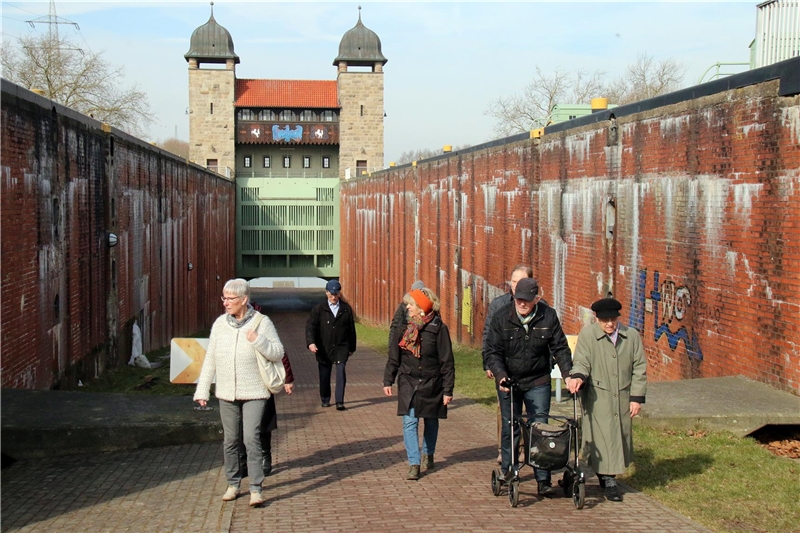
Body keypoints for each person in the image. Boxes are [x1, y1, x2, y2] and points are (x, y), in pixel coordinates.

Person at [194, 278, 284, 507]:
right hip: (226, 392)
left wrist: (257, 340)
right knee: (231, 440)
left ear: (244, 300)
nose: (226, 302)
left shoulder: (262, 323)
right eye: (224, 298)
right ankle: (233, 484)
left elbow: (277, 352)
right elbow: (210, 359)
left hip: (255, 391)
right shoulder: (219, 325)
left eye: (231, 298)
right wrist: (202, 390)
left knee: (251, 437)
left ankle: (256, 488)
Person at [484, 277, 575, 497]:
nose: (522, 304)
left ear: (537, 299)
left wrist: (568, 375)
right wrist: (501, 375)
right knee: (510, 426)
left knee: (540, 427)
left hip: (538, 380)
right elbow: (492, 352)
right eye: (518, 299)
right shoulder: (501, 317)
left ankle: (543, 479)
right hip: (510, 381)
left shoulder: (548, 316)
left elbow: (560, 348)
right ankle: (508, 471)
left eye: (527, 300)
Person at [566, 297, 647, 502]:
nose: (609, 324)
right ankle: (609, 480)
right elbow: (582, 361)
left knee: (618, 435)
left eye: (612, 319)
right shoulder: (588, 335)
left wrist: (636, 398)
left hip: (622, 395)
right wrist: (578, 377)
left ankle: (606, 475)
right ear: (596, 318)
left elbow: (639, 368)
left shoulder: (631, 336)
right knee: (602, 436)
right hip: (597, 396)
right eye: (604, 320)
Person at [383, 287, 455, 481]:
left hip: (432, 382)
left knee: (431, 420)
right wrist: (388, 379)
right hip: (408, 380)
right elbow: (394, 357)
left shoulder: (438, 328)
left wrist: (448, 389)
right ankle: (414, 463)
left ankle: (428, 453)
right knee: (410, 421)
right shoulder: (403, 328)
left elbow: (447, 361)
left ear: (422, 307)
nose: (407, 307)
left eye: (411, 304)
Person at [482, 265, 533, 464]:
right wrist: (488, 363)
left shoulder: (539, 305)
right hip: (504, 367)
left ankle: (525, 449)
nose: (515, 286)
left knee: (529, 412)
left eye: (520, 281)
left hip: (530, 371)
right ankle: (505, 449)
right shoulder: (498, 305)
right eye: (513, 281)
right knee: (505, 412)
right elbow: (488, 334)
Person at [238, 352, 295, 478]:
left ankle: (265, 455)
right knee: (239, 424)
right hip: (238, 384)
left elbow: (279, 352)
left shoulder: (263, 332)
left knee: (263, 421)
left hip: (261, 381)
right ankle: (241, 461)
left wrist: (287, 378)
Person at [306, 279, 357, 411]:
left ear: (339, 293)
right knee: (324, 374)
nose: (333, 297)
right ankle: (325, 398)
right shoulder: (319, 309)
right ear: (327, 292)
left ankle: (340, 401)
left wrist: (352, 347)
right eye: (331, 294)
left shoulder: (346, 309)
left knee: (341, 373)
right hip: (323, 346)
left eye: (336, 294)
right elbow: (310, 327)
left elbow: (351, 329)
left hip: (341, 347)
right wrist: (311, 343)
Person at [389, 280, 425, 345]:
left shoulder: (428, 307)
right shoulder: (404, 306)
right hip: (406, 341)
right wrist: (392, 347)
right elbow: (395, 325)